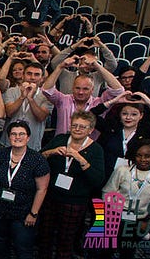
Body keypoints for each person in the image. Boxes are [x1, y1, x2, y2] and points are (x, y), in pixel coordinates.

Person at [37, 111, 105, 259]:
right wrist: (52, 152)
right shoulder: (60, 139)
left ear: (90, 130)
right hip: (51, 196)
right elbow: (39, 158)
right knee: (45, 234)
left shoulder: (96, 149)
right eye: (74, 125)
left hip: (75, 201)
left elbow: (98, 180)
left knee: (66, 238)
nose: (77, 129)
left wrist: (82, 160)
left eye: (82, 127)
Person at [0, 121, 49, 259]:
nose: (17, 137)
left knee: (22, 248)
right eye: (14, 134)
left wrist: (33, 213)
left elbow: (42, 189)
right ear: (9, 137)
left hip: (23, 214)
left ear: (28, 137)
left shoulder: (37, 160)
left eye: (21, 134)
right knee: (0, 244)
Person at [101, 139, 150, 259]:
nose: (143, 160)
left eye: (148, 156)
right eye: (139, 155)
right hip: (116, 216)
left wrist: (147, 223)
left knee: (128, 252)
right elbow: (108, 192)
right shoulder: (122, 171)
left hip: (140, 220)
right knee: (106, 250)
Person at [43, 50, 124, 135]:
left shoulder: (99, 103)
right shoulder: (63, 100)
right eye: (77, 88)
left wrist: (97, 66)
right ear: (72, 88)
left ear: (92, 90)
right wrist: (60, 67)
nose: (81, 92)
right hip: (63, 145)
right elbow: (47, 90)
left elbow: (118, 90)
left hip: (89, 146)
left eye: (85, 89)